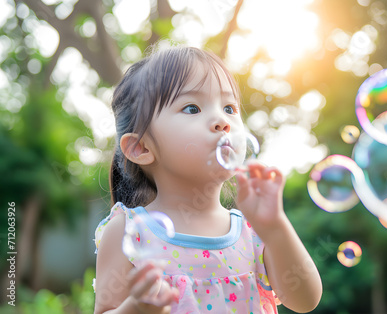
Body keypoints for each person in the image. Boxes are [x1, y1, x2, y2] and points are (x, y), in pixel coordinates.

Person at [93, 44, 322, 314]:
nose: (222, 122)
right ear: (141, 148)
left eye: (229, 108)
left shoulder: (253, 231)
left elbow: (306, 300)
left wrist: (275, 226)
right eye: (192, 108)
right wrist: (135, 309)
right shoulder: (128, 231)